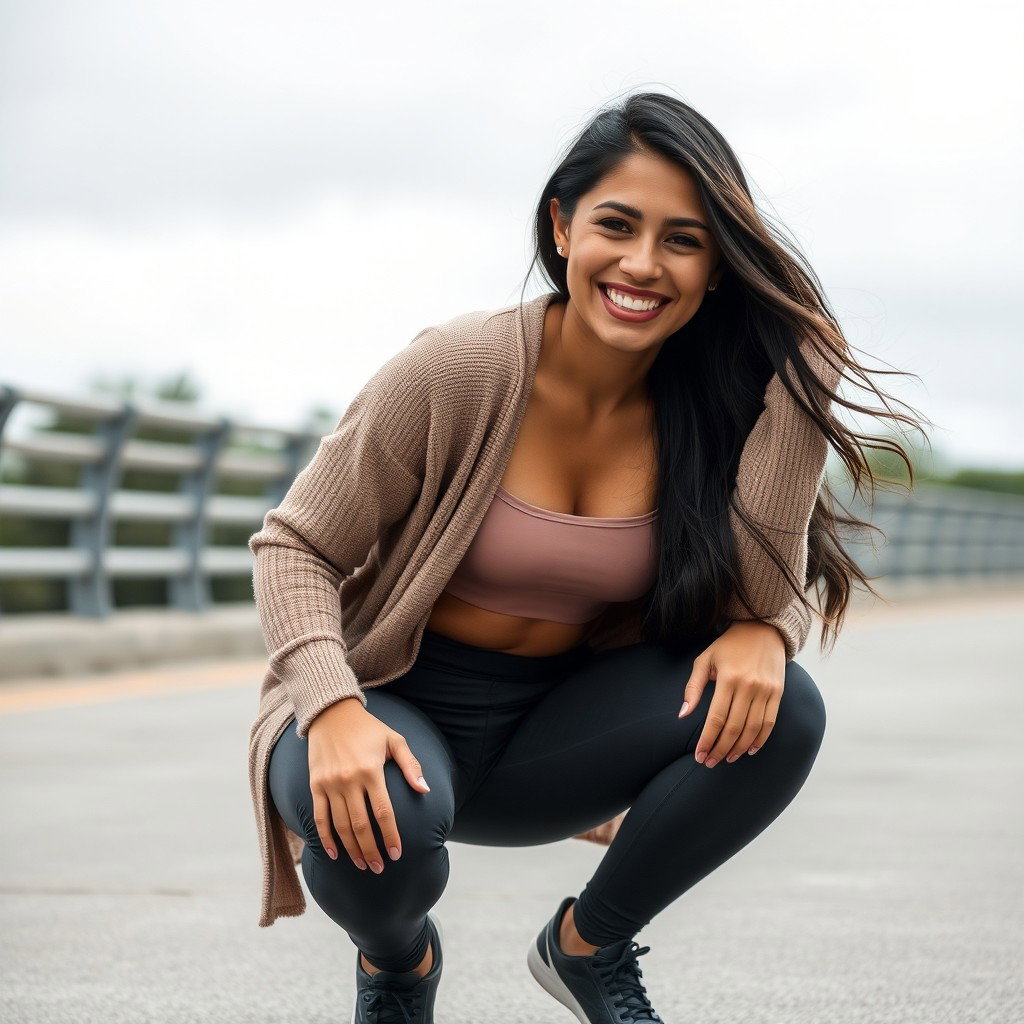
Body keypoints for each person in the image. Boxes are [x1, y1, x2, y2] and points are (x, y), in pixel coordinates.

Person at [250, 91, 925, 1024]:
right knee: (382, 841)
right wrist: (328, 708)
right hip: (391, 706)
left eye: (684, 240)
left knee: (785, 707)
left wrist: (769, 613)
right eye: (618, 225)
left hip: (553, 736)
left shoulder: (715, 407)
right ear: (563, 227)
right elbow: (295, 544)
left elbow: (761, 586)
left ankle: (588, 949)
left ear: (720, 267)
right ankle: (399, 964)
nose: (643, 265)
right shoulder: (457, 371)